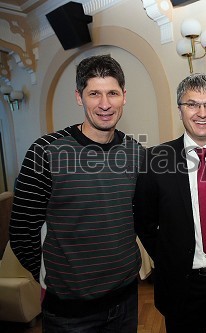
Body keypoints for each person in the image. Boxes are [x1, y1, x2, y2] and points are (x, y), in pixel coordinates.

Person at [9, 54, 144, 332]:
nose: (104, 104)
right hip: (70, 314)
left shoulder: (136, 152)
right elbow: (22, 231)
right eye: (94, 93)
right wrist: (55, 278)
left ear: (124, 96)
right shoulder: (45, 151)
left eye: (112, 93)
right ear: (79, 97)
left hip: (127, 302)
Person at [133, 73, 206, 333]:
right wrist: (168, 257)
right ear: (179, 110)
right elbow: (144, 220)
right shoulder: (154, 160)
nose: (202, 112)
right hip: (180, 286)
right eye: (192, 104)